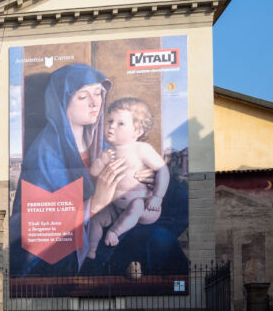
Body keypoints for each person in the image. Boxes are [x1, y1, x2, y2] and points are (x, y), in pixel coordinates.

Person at [10, 63, 187, 277]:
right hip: (71, 248)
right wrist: (95, 203)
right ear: (61, 102)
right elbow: (32, 224)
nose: (95, 103)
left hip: (121, 223)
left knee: (169, 225)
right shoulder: (45, 154)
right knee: (159, 241)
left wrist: (149, 178)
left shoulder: (102, 144)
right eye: (83, 97)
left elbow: (171, 196)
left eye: (98, 94)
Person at [87, 98, 169, 259]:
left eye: (120, 123)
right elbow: (94, 173)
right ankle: (92, 250)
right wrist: (101, 161)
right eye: (110, 121)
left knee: (136, 205)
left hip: (146, 208)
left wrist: (157, 197)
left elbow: (163, 171)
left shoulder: (142, 149)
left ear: (137, 131)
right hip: (116, 207)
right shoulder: (108, 151)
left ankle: (114, 232)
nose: (111, 126)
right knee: (96, 220)